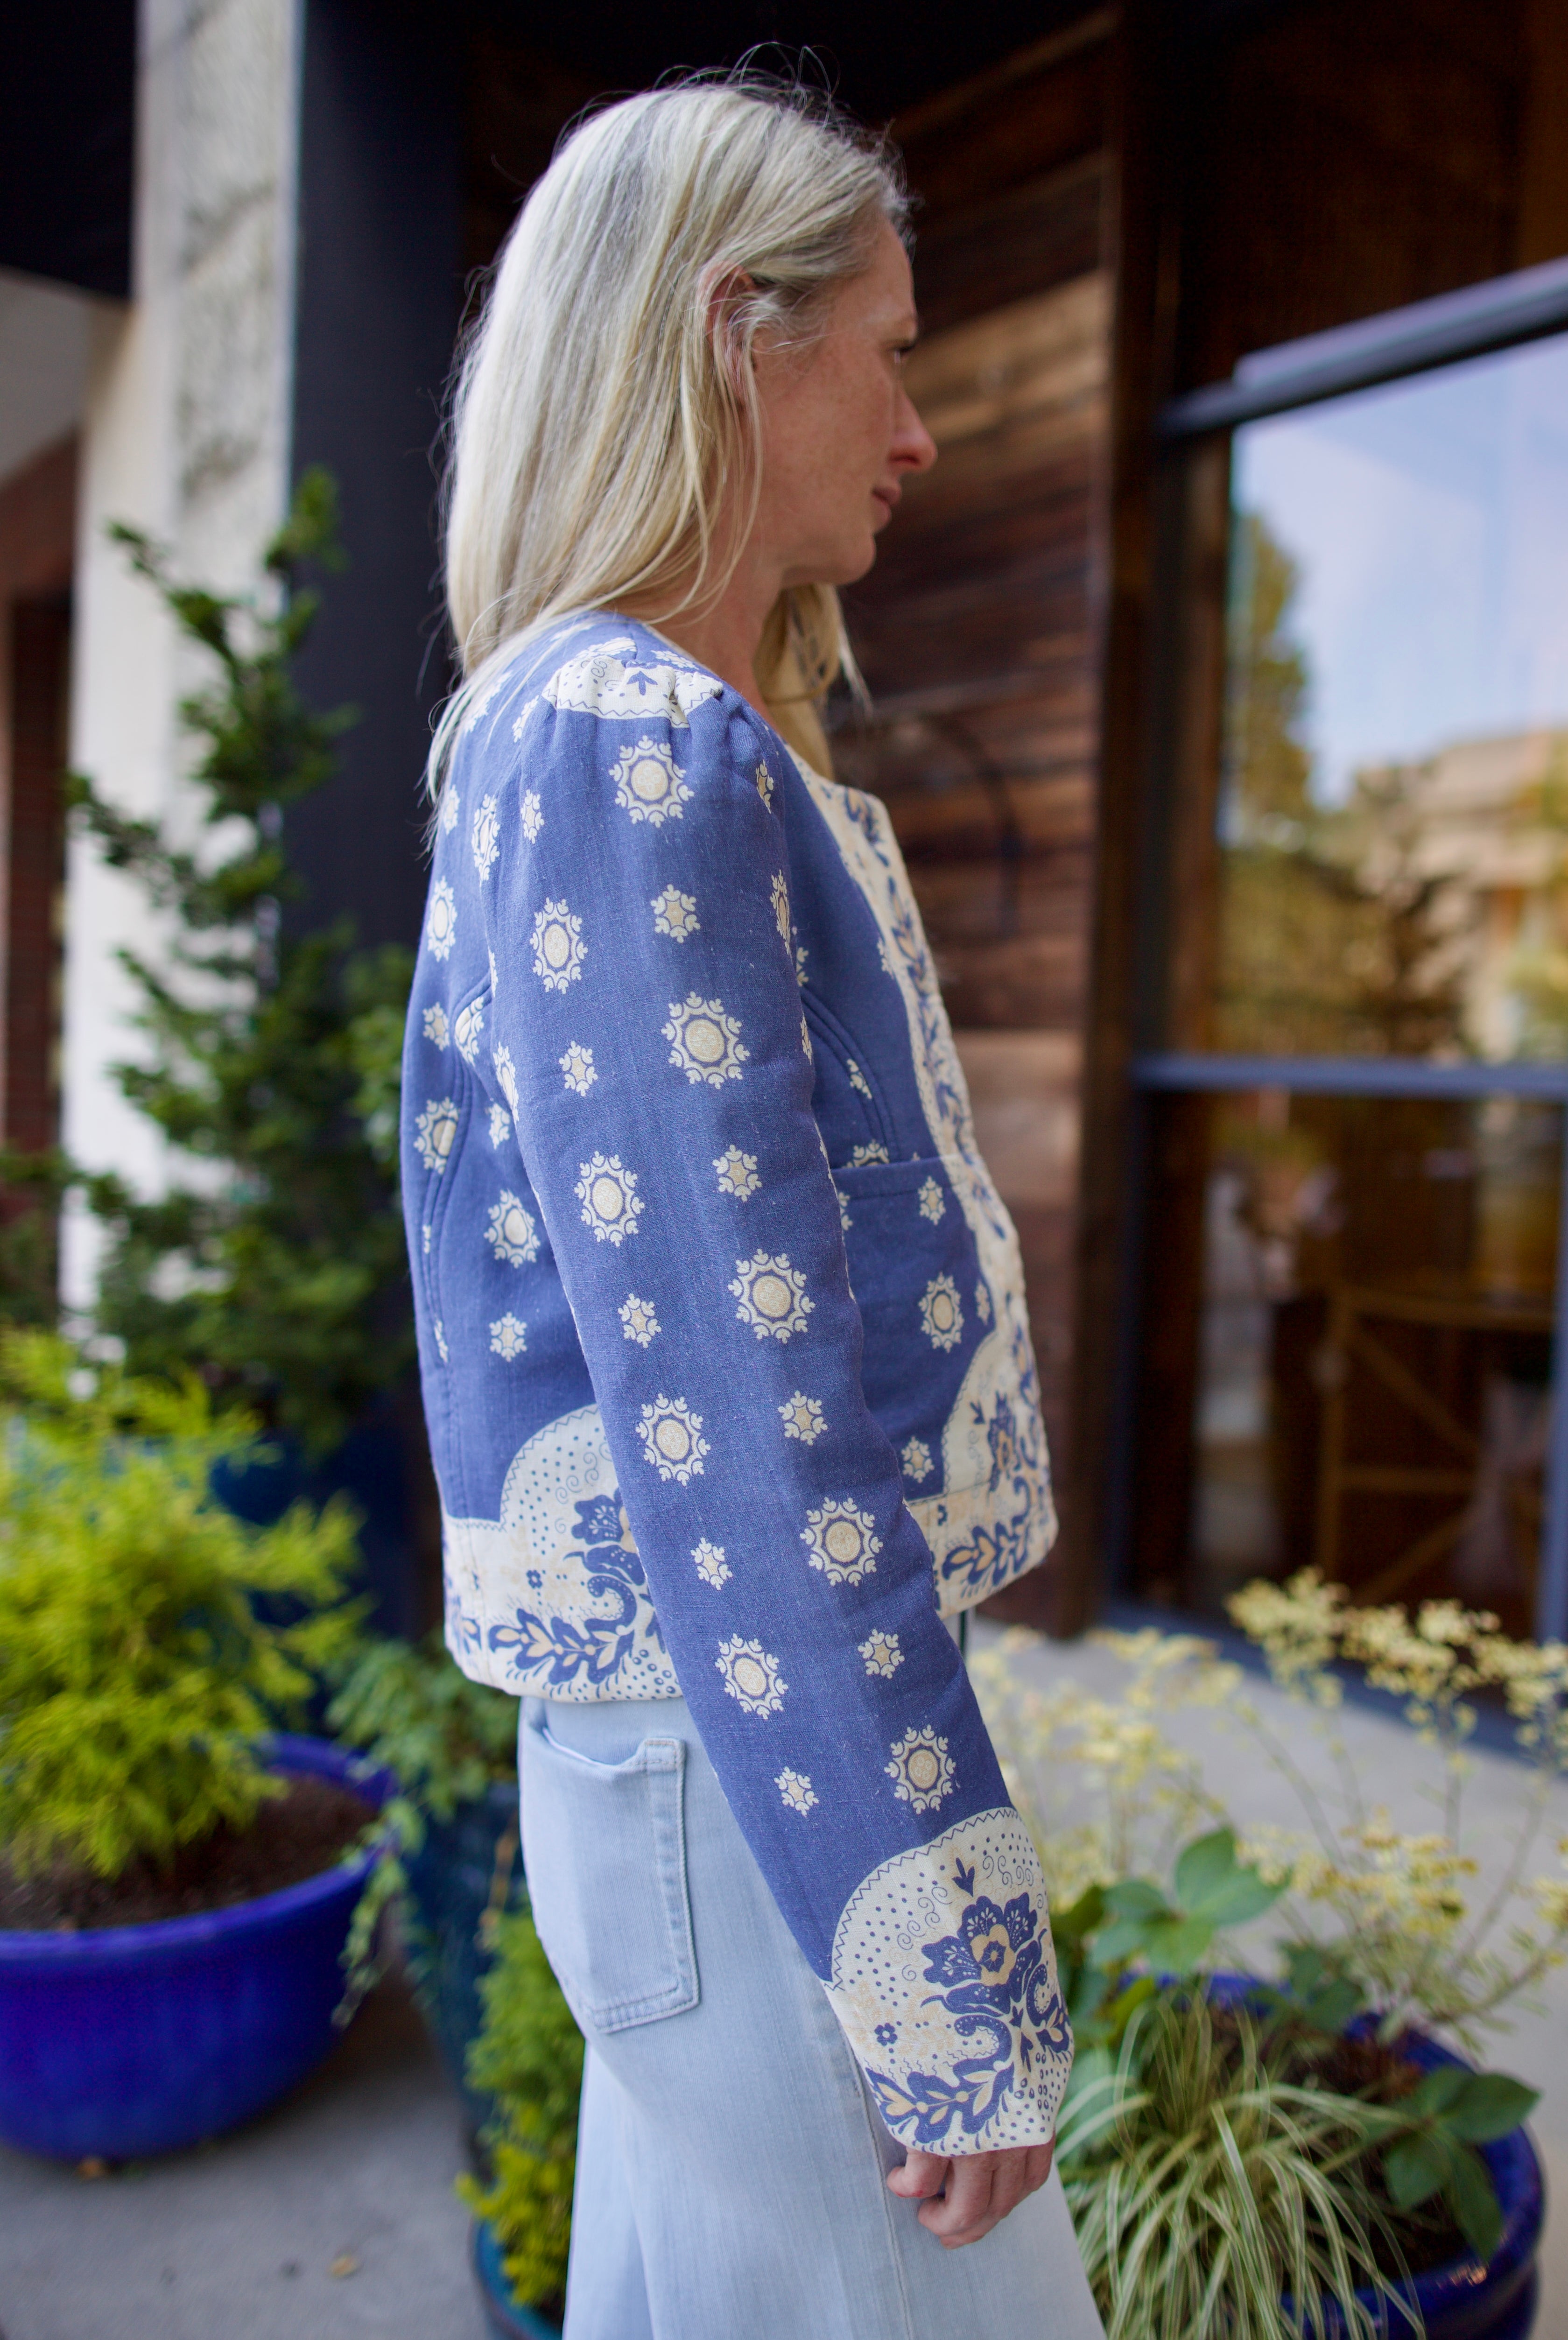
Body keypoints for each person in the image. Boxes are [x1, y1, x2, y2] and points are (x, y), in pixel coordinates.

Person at [402, 72, 1105, 2340]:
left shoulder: (604, 727)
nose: (919, 430)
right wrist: (934, 1933)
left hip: (711, 1757)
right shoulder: (629, 740)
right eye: (890, 350)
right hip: (759, 1762)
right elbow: (737, 1398)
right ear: (740, 333)